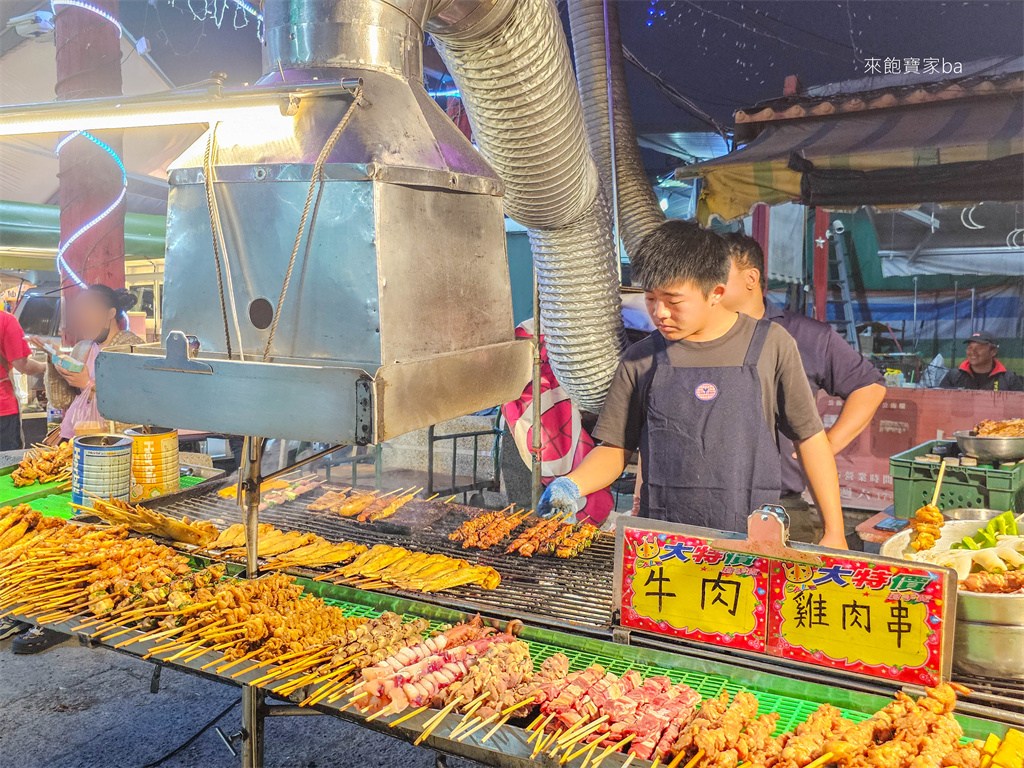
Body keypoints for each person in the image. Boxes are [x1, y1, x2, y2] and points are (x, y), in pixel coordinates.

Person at [538, 221, 847, 549]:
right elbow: (616, 449)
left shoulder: (770, 344)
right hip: (664, 543)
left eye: (673, 300)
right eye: (650, 298)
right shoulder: (641, 358)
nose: (660, 313)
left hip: (752, 541)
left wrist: (835, 530)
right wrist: (571, 485)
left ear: (715, 293)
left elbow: (810, 438)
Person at [4, 285, 144, 654]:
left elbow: (140, 402)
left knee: (85, 529)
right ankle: (27, 603)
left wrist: (94, 384)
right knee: (46, 523)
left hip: (112, 450)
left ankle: (57, 614)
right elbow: (65, 400)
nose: (80, 318)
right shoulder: (83, 347)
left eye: (87, 310)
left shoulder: (132, 346)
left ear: (110, 311)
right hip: (71, 443)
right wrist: (54, 362)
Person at [720, 233, 886, 544]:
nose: (706, 284)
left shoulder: (805, 336)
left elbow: (869, 386)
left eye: (716, 273)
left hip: (781, 506)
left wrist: (829, 442)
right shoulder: (698, 337)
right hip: (707, 504)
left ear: (751, 278)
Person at [0, 309, 46, 451]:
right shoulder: (5, 320)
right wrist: (46, 367)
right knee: (6, 465)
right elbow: (22, 365)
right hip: (3, 408)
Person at [939, 330, 1023, 391]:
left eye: (979, 348)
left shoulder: (1009, 378)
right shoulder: (953, 376)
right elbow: (940, 404)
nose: (972, 352)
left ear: (993, 352)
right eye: (970, 347)